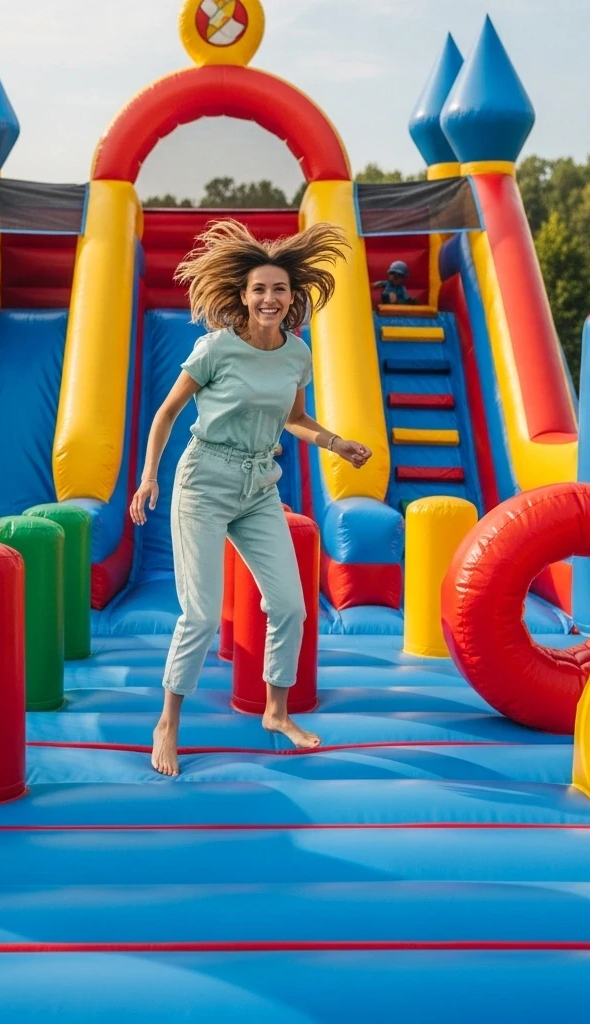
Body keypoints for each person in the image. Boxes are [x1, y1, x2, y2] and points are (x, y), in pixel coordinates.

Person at [129, 220, 372, 776]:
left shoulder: (296, 354)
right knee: (201, 615)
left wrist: (336, 443)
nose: (269, 298)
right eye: (260, 289)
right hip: (204, 482)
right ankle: (168, 722)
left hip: (260, 486)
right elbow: (167, 413)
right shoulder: (216, 348)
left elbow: (294, 420)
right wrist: (148, 477)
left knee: (290, 605)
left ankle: (276, 712)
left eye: (279, 290)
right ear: (243, 295)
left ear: (293, 298)